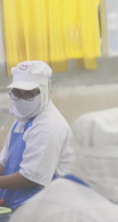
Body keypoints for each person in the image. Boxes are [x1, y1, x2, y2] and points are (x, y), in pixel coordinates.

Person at [0, 60, 72, 210]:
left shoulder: (49, 126)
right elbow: (4, 162)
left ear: (43, 91)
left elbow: (31, 177)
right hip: (15, 207)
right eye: (17, 93)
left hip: (43, 211)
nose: (21, 99)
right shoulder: (21, 120)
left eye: (28, 94)